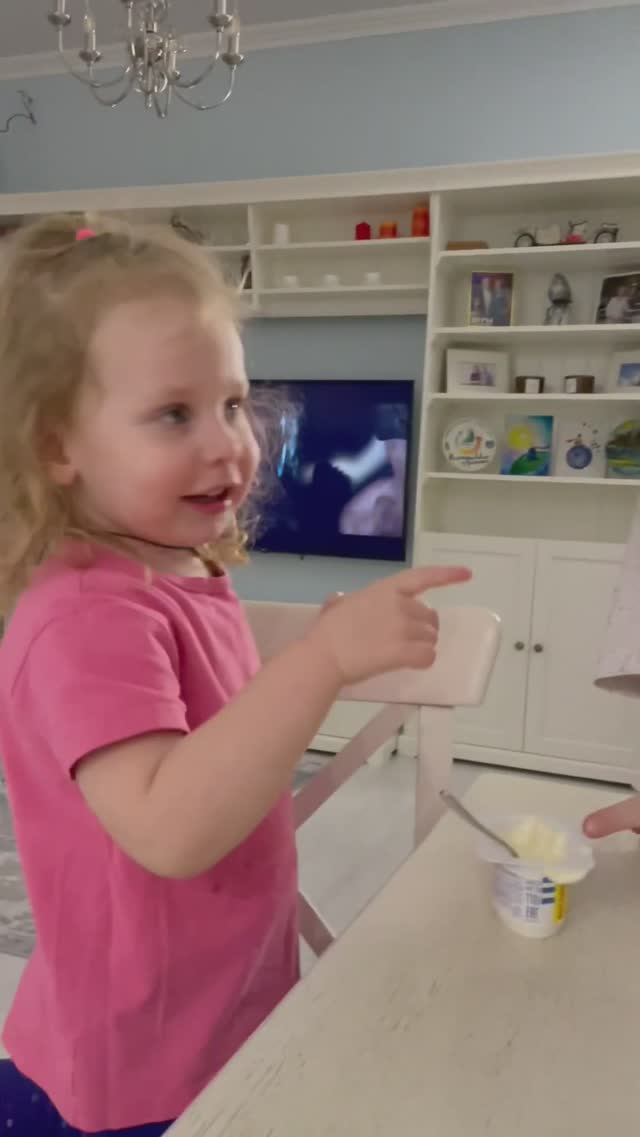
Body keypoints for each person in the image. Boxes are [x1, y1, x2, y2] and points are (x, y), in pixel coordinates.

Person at [0, 214, 470, 1137]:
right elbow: (170, 828)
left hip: (215, 1018)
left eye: (233, 402)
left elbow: (228, 753)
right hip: (139, 1065)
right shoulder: (86, 613)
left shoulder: (178, 571)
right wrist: (321, 661)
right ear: (58, 445)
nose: (228, 444)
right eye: (174, 413)